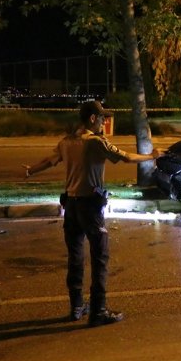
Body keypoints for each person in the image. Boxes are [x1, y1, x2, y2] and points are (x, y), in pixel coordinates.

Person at [22, 100, 159, 327]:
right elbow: (126, 157)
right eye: (102, 118)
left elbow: (49, 160)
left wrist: (31, 170)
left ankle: (77, 306)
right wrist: (152, 156)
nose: (105, 122)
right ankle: (98, 311)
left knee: (75, 258)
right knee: (99, 258)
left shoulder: (66, 142)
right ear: (93, 119)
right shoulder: (95, 142)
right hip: (90, 208)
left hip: (71, 207)